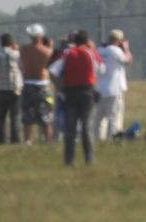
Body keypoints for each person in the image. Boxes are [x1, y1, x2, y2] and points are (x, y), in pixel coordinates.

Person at [49, 30, 100, 165]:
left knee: (70, 128)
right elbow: (101, 68)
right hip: (87, 92)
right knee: (86, 127)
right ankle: (90, 159)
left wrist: (60, 86)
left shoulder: (66, 53)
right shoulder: (90, 52)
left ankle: (69, 160)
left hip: (70, 93)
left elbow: (53, 70)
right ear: (86, 41)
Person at [94, 29, 132, 142]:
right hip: (114, 89)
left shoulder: (99, 50)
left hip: (100, 88)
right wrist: (126, 48)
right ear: (119, 40)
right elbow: (128, 60)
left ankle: (99, 139)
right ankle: (114, 140)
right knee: (114, 118)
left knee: (99, 119)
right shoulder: (116, 51)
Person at [19, 26, 54, 146]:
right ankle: (47, 139)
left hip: (28, 83)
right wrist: (50, 47)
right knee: (46, 114)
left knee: (27, 114)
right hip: (42, 84)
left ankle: (28, 140)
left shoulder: (23, 50)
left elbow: (21, 64)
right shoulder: (47, 51)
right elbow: (51, 66)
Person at [0, 32, 22, 144]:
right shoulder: (15, 54)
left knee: (2, 118)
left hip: (1, 88)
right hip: (14, 88)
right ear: (11, 43)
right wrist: (16, 49)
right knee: (14, 116)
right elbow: (21, 65)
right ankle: (15, 139)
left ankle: (2, 140)